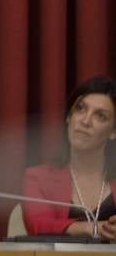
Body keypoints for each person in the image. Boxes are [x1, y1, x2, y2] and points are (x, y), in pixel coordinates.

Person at [22, 75, 116, 239]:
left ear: (113, 132)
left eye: (100, 116)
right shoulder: (38, 177)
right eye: (80, 109)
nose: (85, 121)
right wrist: (94, 228)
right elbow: (38, 225)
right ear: (68, 117)